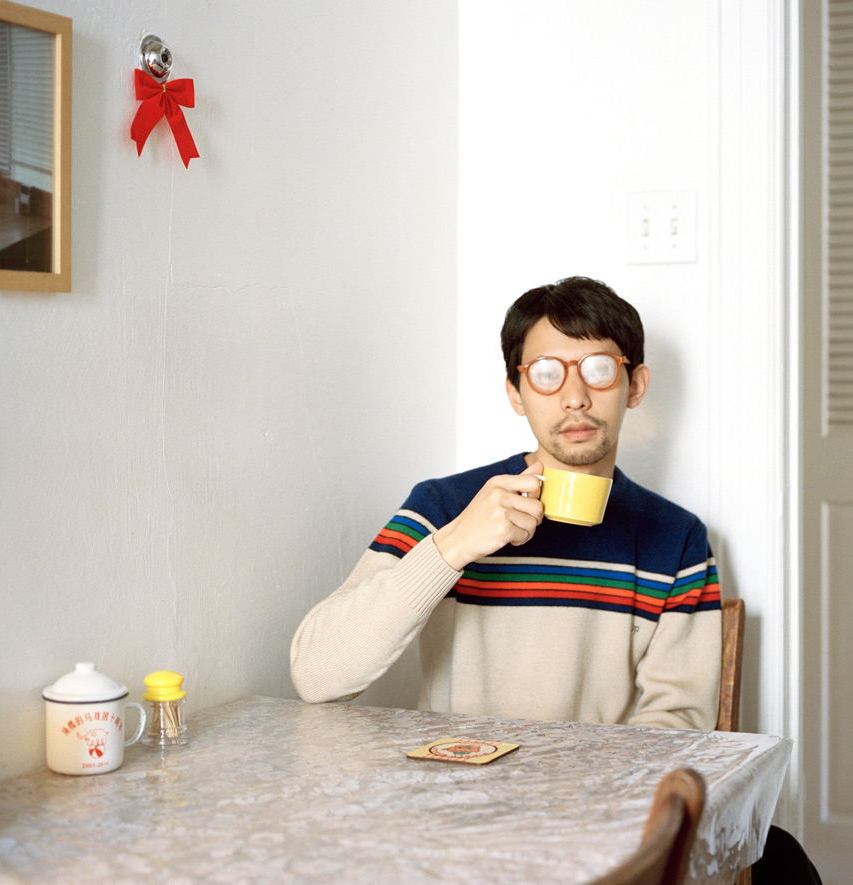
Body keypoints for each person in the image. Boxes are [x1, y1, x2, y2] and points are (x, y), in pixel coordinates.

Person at [290, 276, 820, 883]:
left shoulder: (674, 537)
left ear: (635, 385)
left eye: (598, 369)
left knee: (782, 860)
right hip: (449, 820)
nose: (574, 397)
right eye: (545, 373)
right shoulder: (444, 507)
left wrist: (571, 806)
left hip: (596, 825)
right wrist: (454, 546)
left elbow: (676, 729)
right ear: (516, 393)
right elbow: (317, 677)